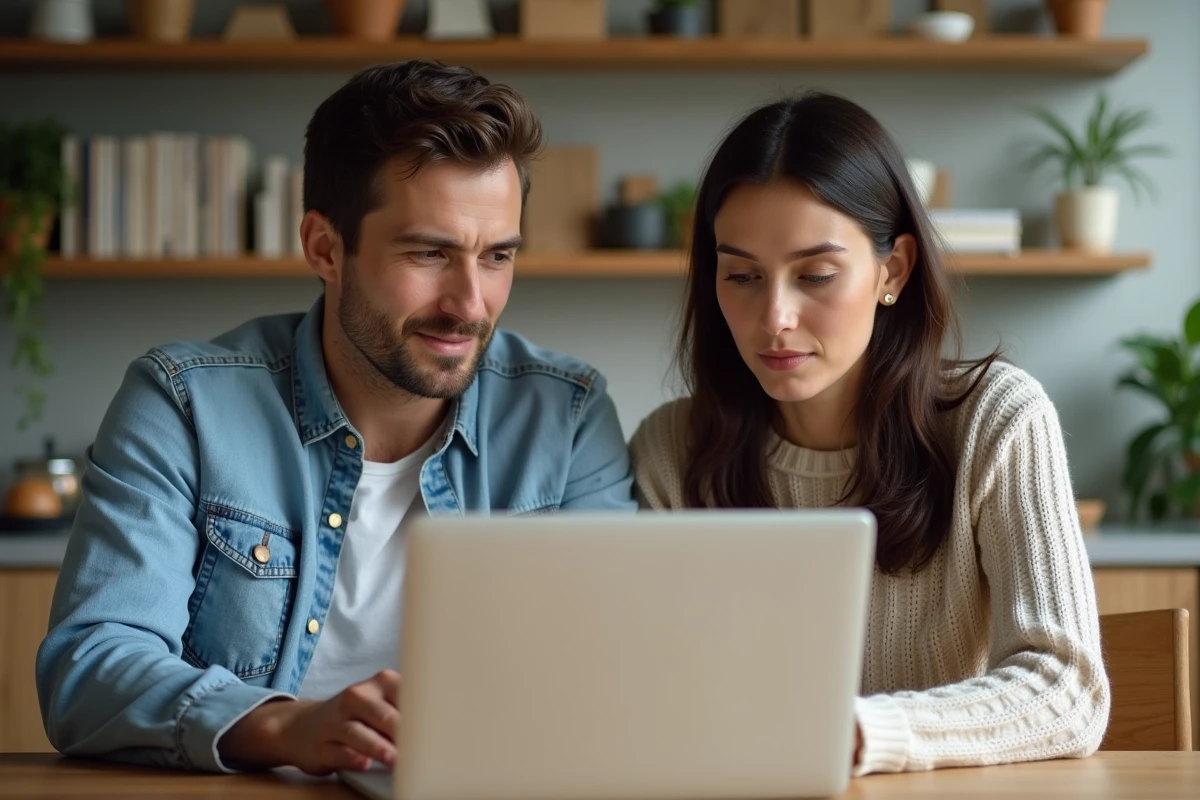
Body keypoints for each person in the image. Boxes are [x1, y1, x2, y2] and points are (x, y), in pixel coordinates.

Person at [37, 61, 635, 776]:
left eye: (497, 256)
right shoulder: (184, 403)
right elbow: (88, 667)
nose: (470, 303)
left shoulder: (566, 417)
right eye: (429, 253)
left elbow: (611, 674)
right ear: (325, 247)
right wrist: (288, 728)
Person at [629, 92, 1110, 776]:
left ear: (894, 269)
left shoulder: (998, 421)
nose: (775, 317)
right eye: (741, 275)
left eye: (816, 275)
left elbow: (1067, 690)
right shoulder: (669, 451)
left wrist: (863, 731)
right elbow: (649, 697)